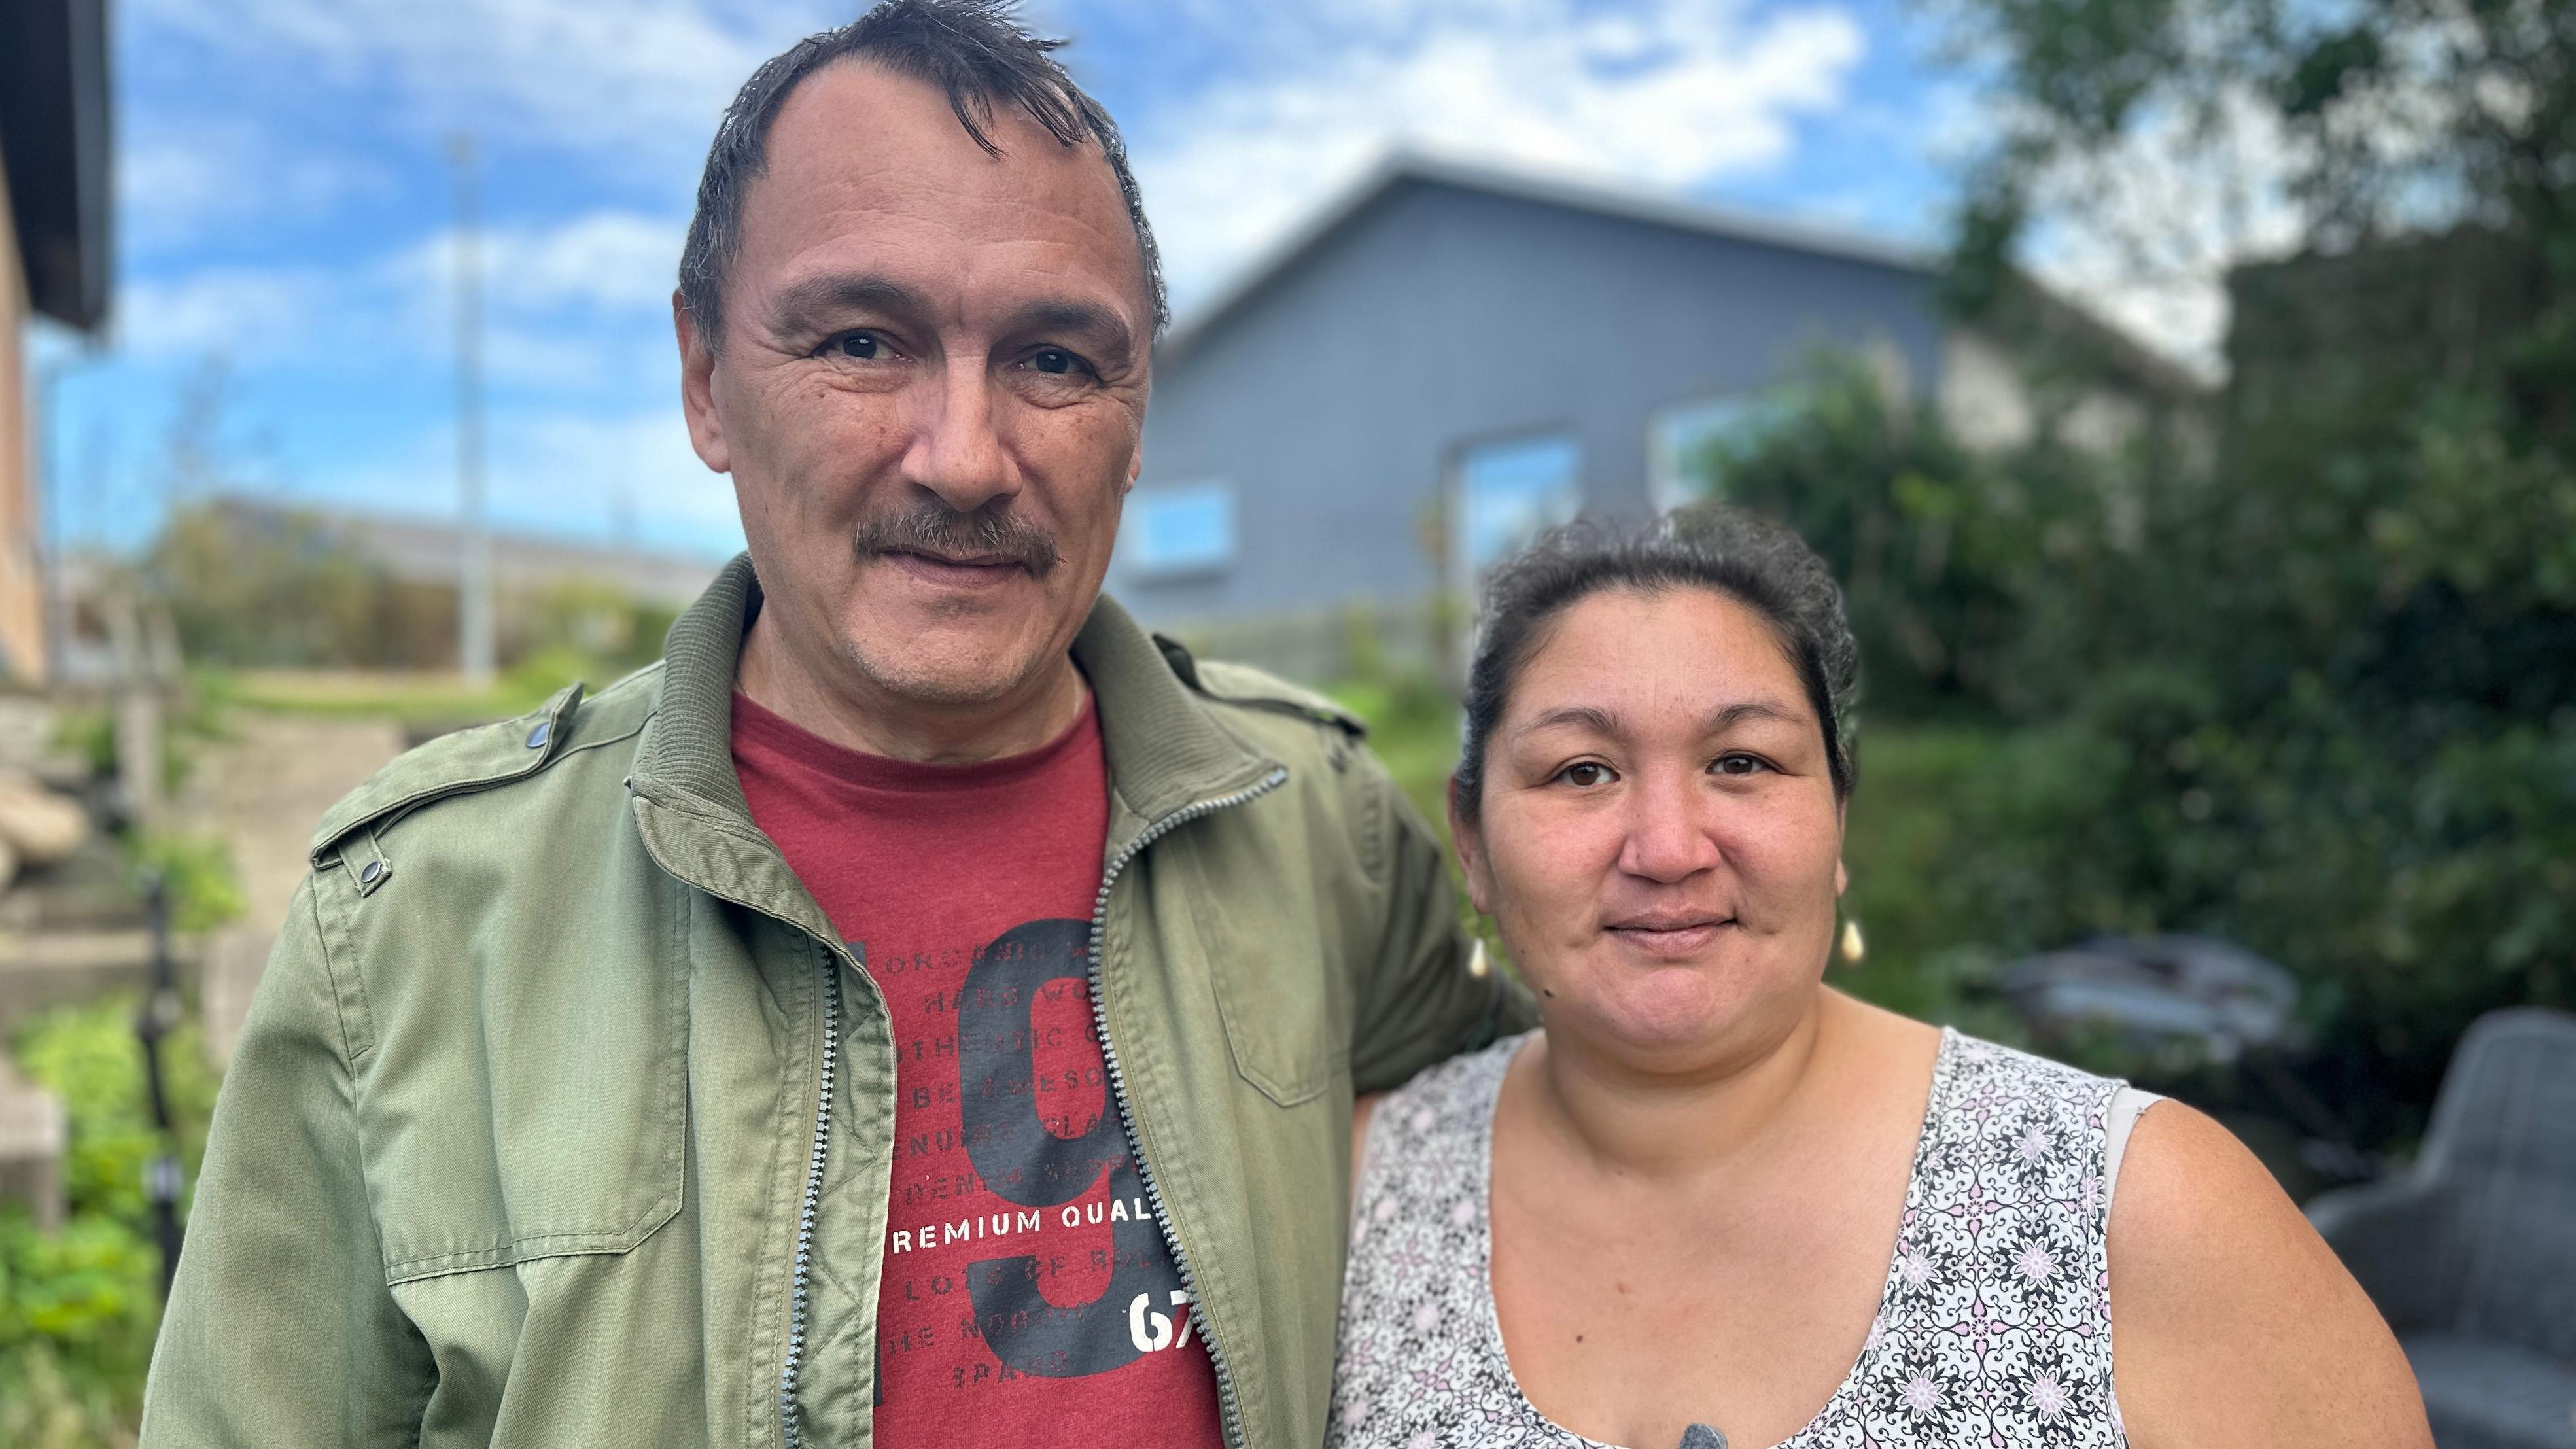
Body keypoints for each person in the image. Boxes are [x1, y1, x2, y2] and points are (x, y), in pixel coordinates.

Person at [139, 4, 1519, 1446]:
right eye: (863, 340)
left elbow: (1602, 1141)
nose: (968, 457)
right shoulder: (412, 927)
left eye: (1055, 359)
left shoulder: (1318, 821)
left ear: (1136, 409)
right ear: (704, 379)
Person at [1330, 511, 2431, 1449]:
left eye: (1741, 763)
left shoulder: (2134, 1211)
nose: (1666, 846)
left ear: (1837, 823)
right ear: (1471, 843)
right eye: (1582, 771)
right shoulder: (1352, 1191)